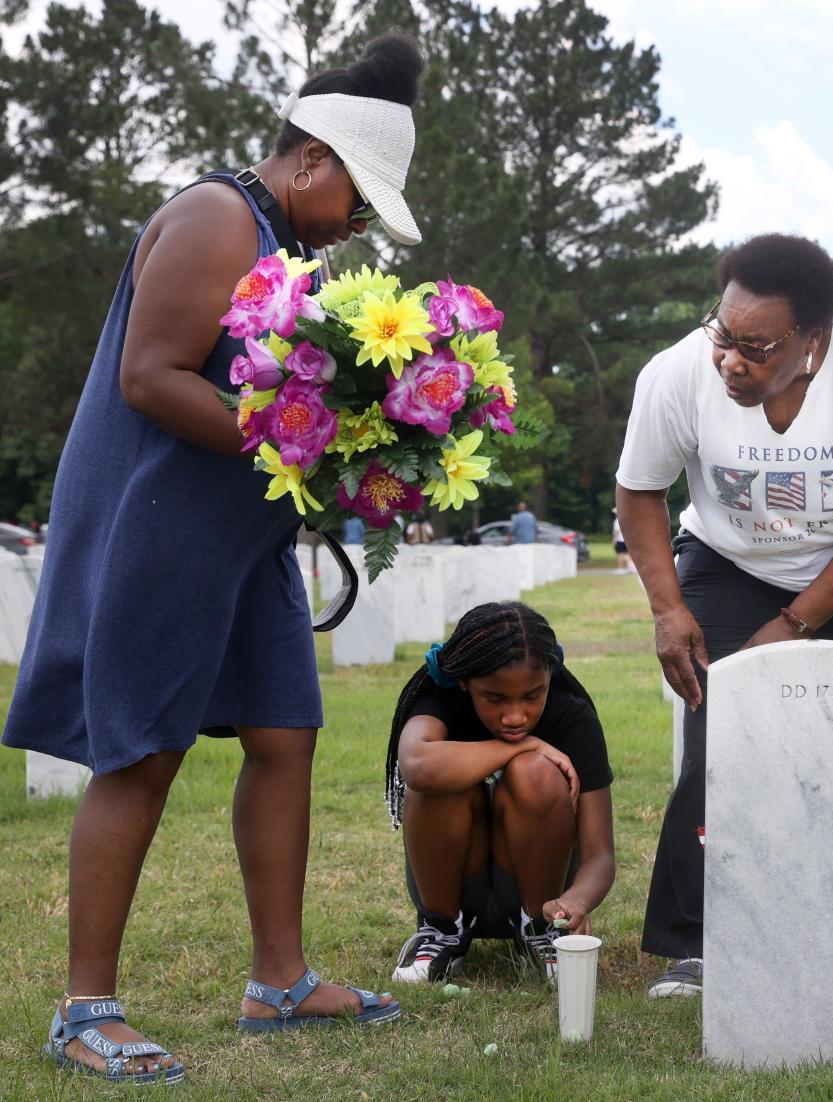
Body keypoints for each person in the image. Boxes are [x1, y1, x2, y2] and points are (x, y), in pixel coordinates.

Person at [1, 32, 424, 1085]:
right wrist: (302, 438)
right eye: (360, 203)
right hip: (162, 523)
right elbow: (151, 377)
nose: (360, 227)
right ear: (312, 157)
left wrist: (342, 444)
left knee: (285, 735)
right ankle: (85, 1006)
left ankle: (279, 982)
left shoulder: (287, 247)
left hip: (247, 533)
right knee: (141, 751)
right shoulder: (218, 216)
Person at [615, 233, 833, 1000]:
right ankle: (699, 942)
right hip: (726, 560)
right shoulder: (677, 373)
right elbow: (640, 491)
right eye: (724, 333)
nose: (731, 359)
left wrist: (794, 625)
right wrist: (667, 608)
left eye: (756, 346)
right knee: (720, 731)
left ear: (813, 339)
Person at [385, 601, 615, 984]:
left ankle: (540, 932)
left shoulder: (571, 715)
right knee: (439, 775)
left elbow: (600, 854)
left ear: (550, 677)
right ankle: (441, 931)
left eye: (532, 696)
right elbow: (416, 764)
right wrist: (521, 746)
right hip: (450, 886)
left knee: (536, 774)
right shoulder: (442, 702)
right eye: (495, 699)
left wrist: (575, 900)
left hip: (540, 896)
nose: (515, 716)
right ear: (464, 682)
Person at [611, 508, 631, 573]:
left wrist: (614, 539)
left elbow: (617, 531)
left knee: (620, 554)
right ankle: (631, 567)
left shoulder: (617, 521)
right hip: (625, 540)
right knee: (626, 554)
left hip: (620, 540)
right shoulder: (625, 520)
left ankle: (621, 569)